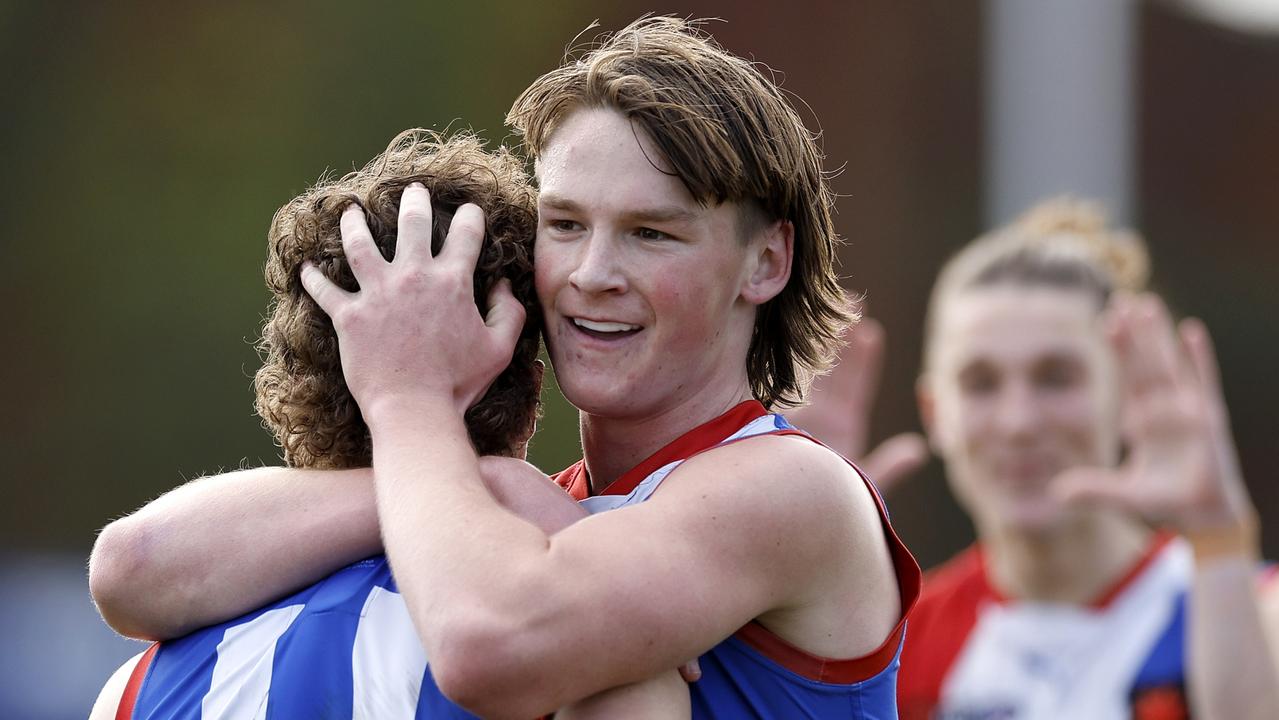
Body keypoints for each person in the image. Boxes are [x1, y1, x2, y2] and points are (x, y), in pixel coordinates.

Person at [90, 16, 920, 719]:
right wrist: (487, 480)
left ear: (766, 261)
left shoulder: (791, 485)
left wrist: (410, 398)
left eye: (650, 232)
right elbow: (133, 571)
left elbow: (487, 642)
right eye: (564, 223)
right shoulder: (517, 516)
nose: (592, 271)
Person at [89, 129, 691, 719]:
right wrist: (493, 479)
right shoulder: (565, 631)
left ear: (296, 383)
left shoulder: (139, 684)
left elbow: (126, 562)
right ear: (532, 389)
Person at [844, 198, 1277, 719]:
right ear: (935, 413)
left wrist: (1218, 536)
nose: (1019, 423)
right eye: (980, 384)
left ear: (1126, 394)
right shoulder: (893, 650)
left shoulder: (1248, 606)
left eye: (1056, 378)